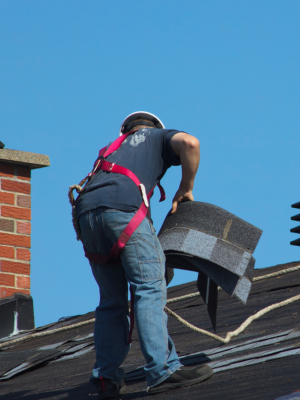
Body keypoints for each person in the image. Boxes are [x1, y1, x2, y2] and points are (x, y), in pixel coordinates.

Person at [74, 111, 213, 399]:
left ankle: (106, 378)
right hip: (124, 211)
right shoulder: (158, 137)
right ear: (154, 128)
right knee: (149, 288)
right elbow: (190, 143)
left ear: (125, 130)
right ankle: (163, 370)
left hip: (86, 214)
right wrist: (185, 188)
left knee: (111, 301)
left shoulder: (109, 151)